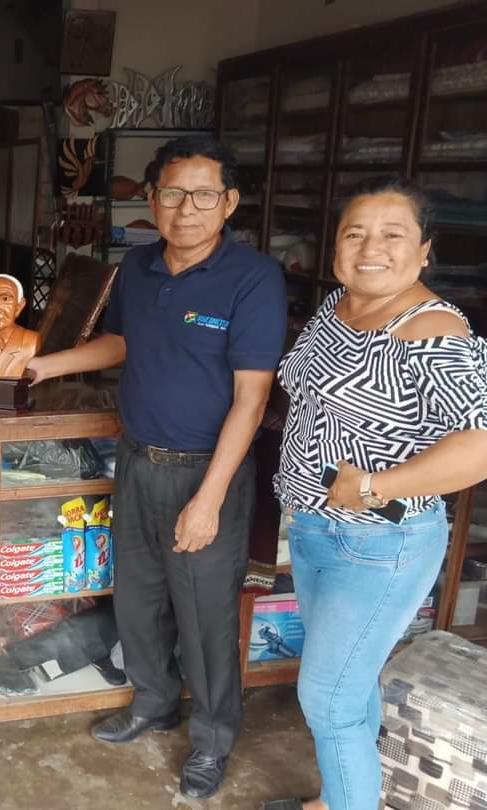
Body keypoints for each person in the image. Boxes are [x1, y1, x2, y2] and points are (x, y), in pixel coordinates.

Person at [27, 133, 287, 800]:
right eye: (172, 193)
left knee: (204, 618)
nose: (186, 209)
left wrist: (210, 499)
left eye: (203, 195)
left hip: (207, 473)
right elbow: (120, 342)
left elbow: (252, 399)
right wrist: (44, 364)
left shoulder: (253, 278)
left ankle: (213, 739)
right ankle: (153, 701)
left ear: (229, 202)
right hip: (137, 461)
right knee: (139, 599)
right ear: (150, 198)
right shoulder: (138, 267)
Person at [262, 176, 487, 810]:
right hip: (316, 530)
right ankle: (344, 796)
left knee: (327, 699)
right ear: (335, 246)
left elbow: (478, 446)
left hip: (380, 543)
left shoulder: (433, 328)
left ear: (424, 250)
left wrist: (372, 484)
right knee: (349, 684)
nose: (371, 248)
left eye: (393, 234)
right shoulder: (339, 306)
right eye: (354, 233)